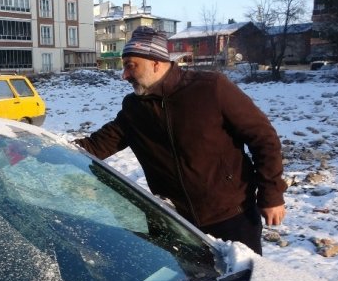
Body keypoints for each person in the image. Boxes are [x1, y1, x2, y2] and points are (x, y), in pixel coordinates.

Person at [74, 26, 287, 255]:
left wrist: (272, 194)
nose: (124, 75)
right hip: (176, 222)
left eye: (130, 66)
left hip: (233, 216)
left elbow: (263, 138)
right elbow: (97, 145)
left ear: (156, 63)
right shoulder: (134, 108)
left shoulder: (211, 88)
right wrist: (41, 148)